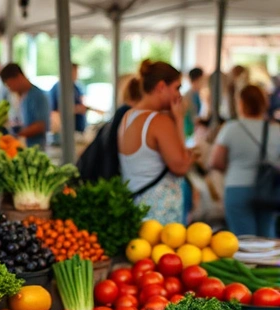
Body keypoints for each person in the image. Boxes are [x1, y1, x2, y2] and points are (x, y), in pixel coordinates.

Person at [117, 59, 193, 224]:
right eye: (177, 88)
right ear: (160, 87)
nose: (179, 95)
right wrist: (179, 121)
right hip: (159, 218)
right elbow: (181, 166)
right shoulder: (158, 121)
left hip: (135, 210)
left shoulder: (128, 117)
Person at [209, 86, 280, 237]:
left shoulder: (230, 129)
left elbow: (215, 162)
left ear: (240, 103)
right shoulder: (276, 130)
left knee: (243, 241)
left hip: (236, 187)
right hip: (269, 189)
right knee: (266, 238)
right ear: (264, 104)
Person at [0, 63, 50, 150]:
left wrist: (16, 136)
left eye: (10, 85)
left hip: (36, 148)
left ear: (19, 77)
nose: (10, 89)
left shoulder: (38, 95)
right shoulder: (23, 96)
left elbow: (41, 125)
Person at [49, 63, 89, 135]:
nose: (76, 75)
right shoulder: (58, 88)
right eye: (75, 72)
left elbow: (82, 102)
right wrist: (77, 109)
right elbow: (56, 110)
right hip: (66, 131)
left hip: (79, 129)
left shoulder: (76, 87)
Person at [183, 68, 206, 140]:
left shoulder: (197, 94)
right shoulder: (188, 96)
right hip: (189, 133)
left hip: (193, 132)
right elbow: (193, 117)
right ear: (197, 79)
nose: (204, 82)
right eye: (203, 79)